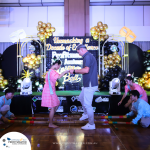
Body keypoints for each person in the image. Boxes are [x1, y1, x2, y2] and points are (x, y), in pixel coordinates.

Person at [70, 44, 98, 130]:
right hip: (88, 84)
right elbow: (85, 71)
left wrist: (74, 71)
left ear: (82, 49)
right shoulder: (88, 56)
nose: (79, 54)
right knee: (81, 98)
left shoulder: (87, 57)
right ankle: (86, 114)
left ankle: (91, 124)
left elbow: (86, 70)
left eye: (78, 52)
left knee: (87, 105)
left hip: (90, 84)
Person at [41, 57, 69, 128]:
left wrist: (65, 73)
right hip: (50, 91)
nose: (59, 67)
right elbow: (59, 76)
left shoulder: (50, 71)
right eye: (59, 66)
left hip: (49, 90)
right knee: (53, 106)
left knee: (56, 104)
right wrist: (66, 71)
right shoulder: (52, 71)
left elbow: (57, 77)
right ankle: (50, 123)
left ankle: (51, 118)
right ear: (56, 64)